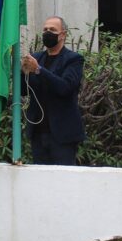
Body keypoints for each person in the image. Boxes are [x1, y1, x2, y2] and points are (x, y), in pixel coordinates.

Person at [22, 16, 84, 165]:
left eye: (52, 30)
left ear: (63, 34)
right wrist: (22, 72)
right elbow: (24, 90)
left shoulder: (73, 59)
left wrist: (38, 70)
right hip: (37, 133)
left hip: (62, 136)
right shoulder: (37, 58)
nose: (47, 33)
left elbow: (65, 88)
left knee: (63, 181)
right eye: (45, 30)